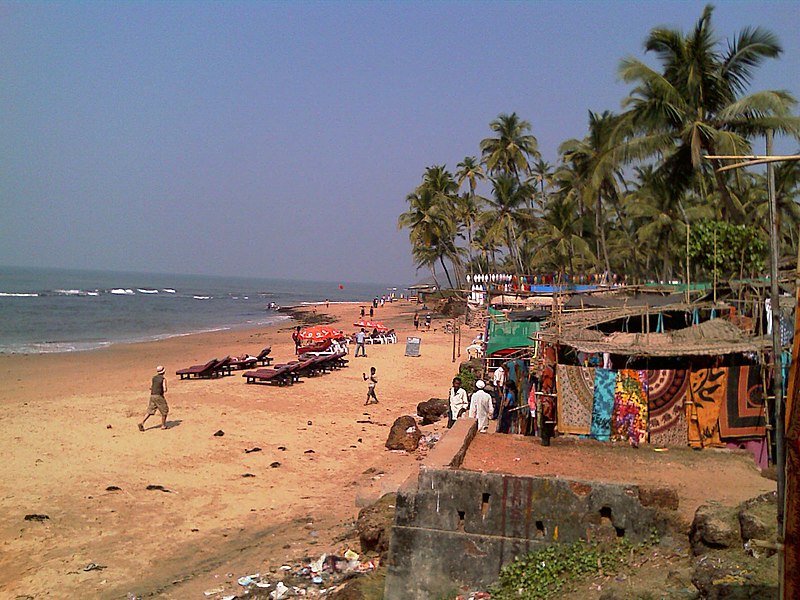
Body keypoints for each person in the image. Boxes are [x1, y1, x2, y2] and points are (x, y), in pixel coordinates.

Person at [139, 365, 168, 431]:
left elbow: (151, 387)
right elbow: (165, 389)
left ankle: (142, 422)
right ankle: (163, 425)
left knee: (150, 410)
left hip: (152, 395)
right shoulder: (163, 379)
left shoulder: (154, 378)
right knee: (164, 410)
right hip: (159, 396)